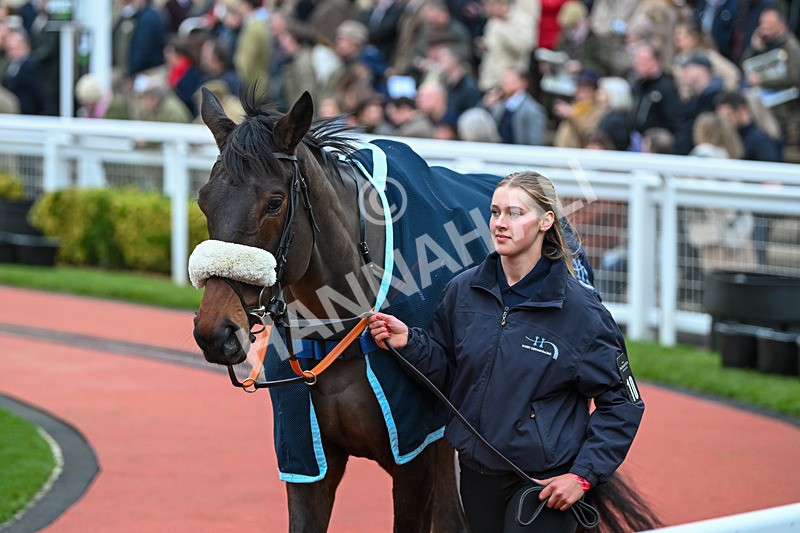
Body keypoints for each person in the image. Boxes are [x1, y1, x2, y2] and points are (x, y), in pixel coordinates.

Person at [368, 171, 644, 532]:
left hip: (544, 482)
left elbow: (623, 403)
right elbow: (453, 379)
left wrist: (582, 476)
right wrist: (410, 342)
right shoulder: (462, 292)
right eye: (495, 212)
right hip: (477, 474)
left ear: (546, 221)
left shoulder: (582, 314)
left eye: (515, 213)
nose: (500, 223)